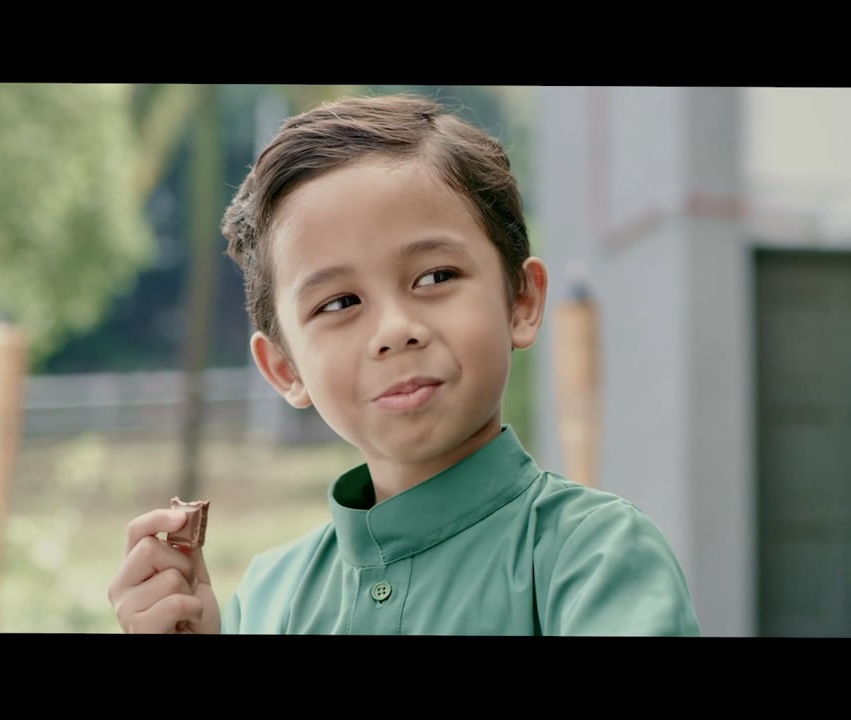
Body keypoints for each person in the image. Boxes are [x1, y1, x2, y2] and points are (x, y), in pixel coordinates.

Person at [107, 93, 701, 636]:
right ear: (285, 368)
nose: (394, 331)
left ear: (521, 301)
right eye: (340, 303)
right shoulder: (265, 601)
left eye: (436, 276)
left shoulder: (594, 558)